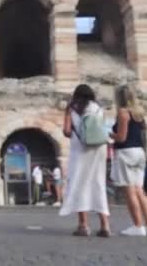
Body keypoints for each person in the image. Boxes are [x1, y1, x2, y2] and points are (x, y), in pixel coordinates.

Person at [59, 84, 111, 238]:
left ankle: (83, 225)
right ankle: (105, 225)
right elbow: (103, 128)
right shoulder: (98, 108)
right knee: (98, 183)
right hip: (98, 149)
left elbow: (67, 131)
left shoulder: (72, 108)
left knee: (80, 184)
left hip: (80, 149)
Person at [110, 85, 147, 237]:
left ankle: (138, 225)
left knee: (130, 190)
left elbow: (122, 137)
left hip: (127, 153)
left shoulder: (123, 112)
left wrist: (110, 134)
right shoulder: (139, 113)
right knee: (140, 190)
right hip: (139, 153)